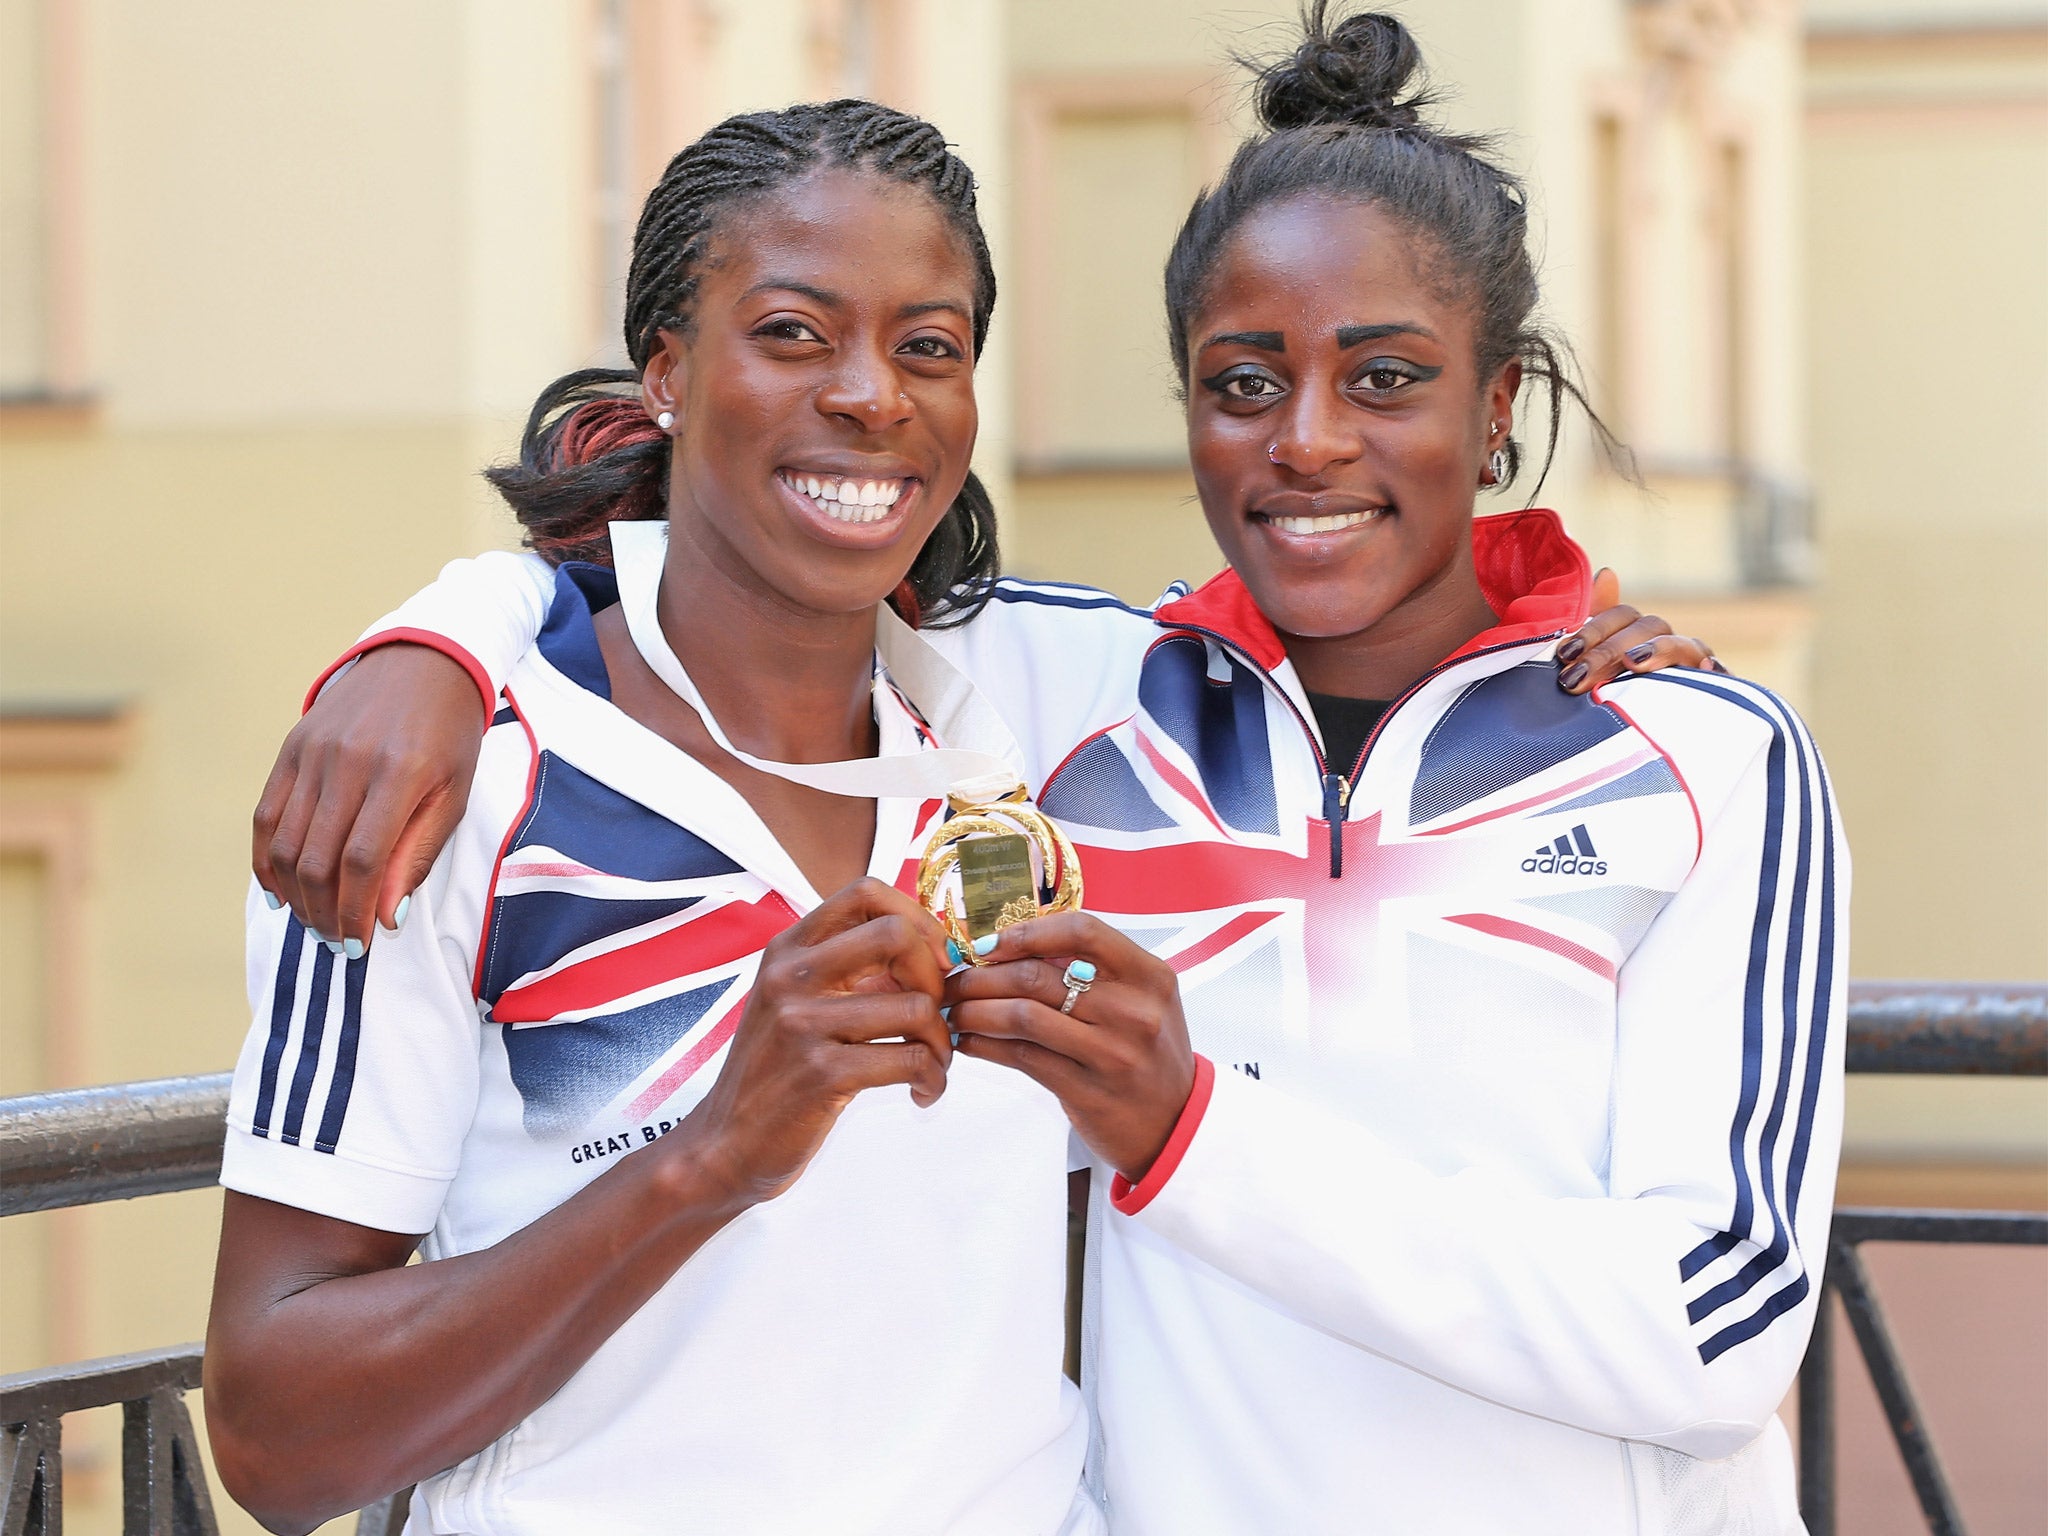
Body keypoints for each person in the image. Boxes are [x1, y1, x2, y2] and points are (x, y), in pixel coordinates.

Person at [246, 11, 1835, 1536]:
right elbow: (752, 550)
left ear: (1497, 410)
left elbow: (1720, 1332)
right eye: (1242, 384)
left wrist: (1190, 1129)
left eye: (1390, 378)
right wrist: (442, 639)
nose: (1308, 442)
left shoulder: (1666, 751)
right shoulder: (1058, 706)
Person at [205, 100, 1102, 1536]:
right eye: (795, 333)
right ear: (669, 372)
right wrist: (710, 1156)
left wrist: (1591, 639)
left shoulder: (1031, 724)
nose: (874, 394)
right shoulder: (447, 790)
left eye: (928, 346)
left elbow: (1352, 630)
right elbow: (272, 1436)